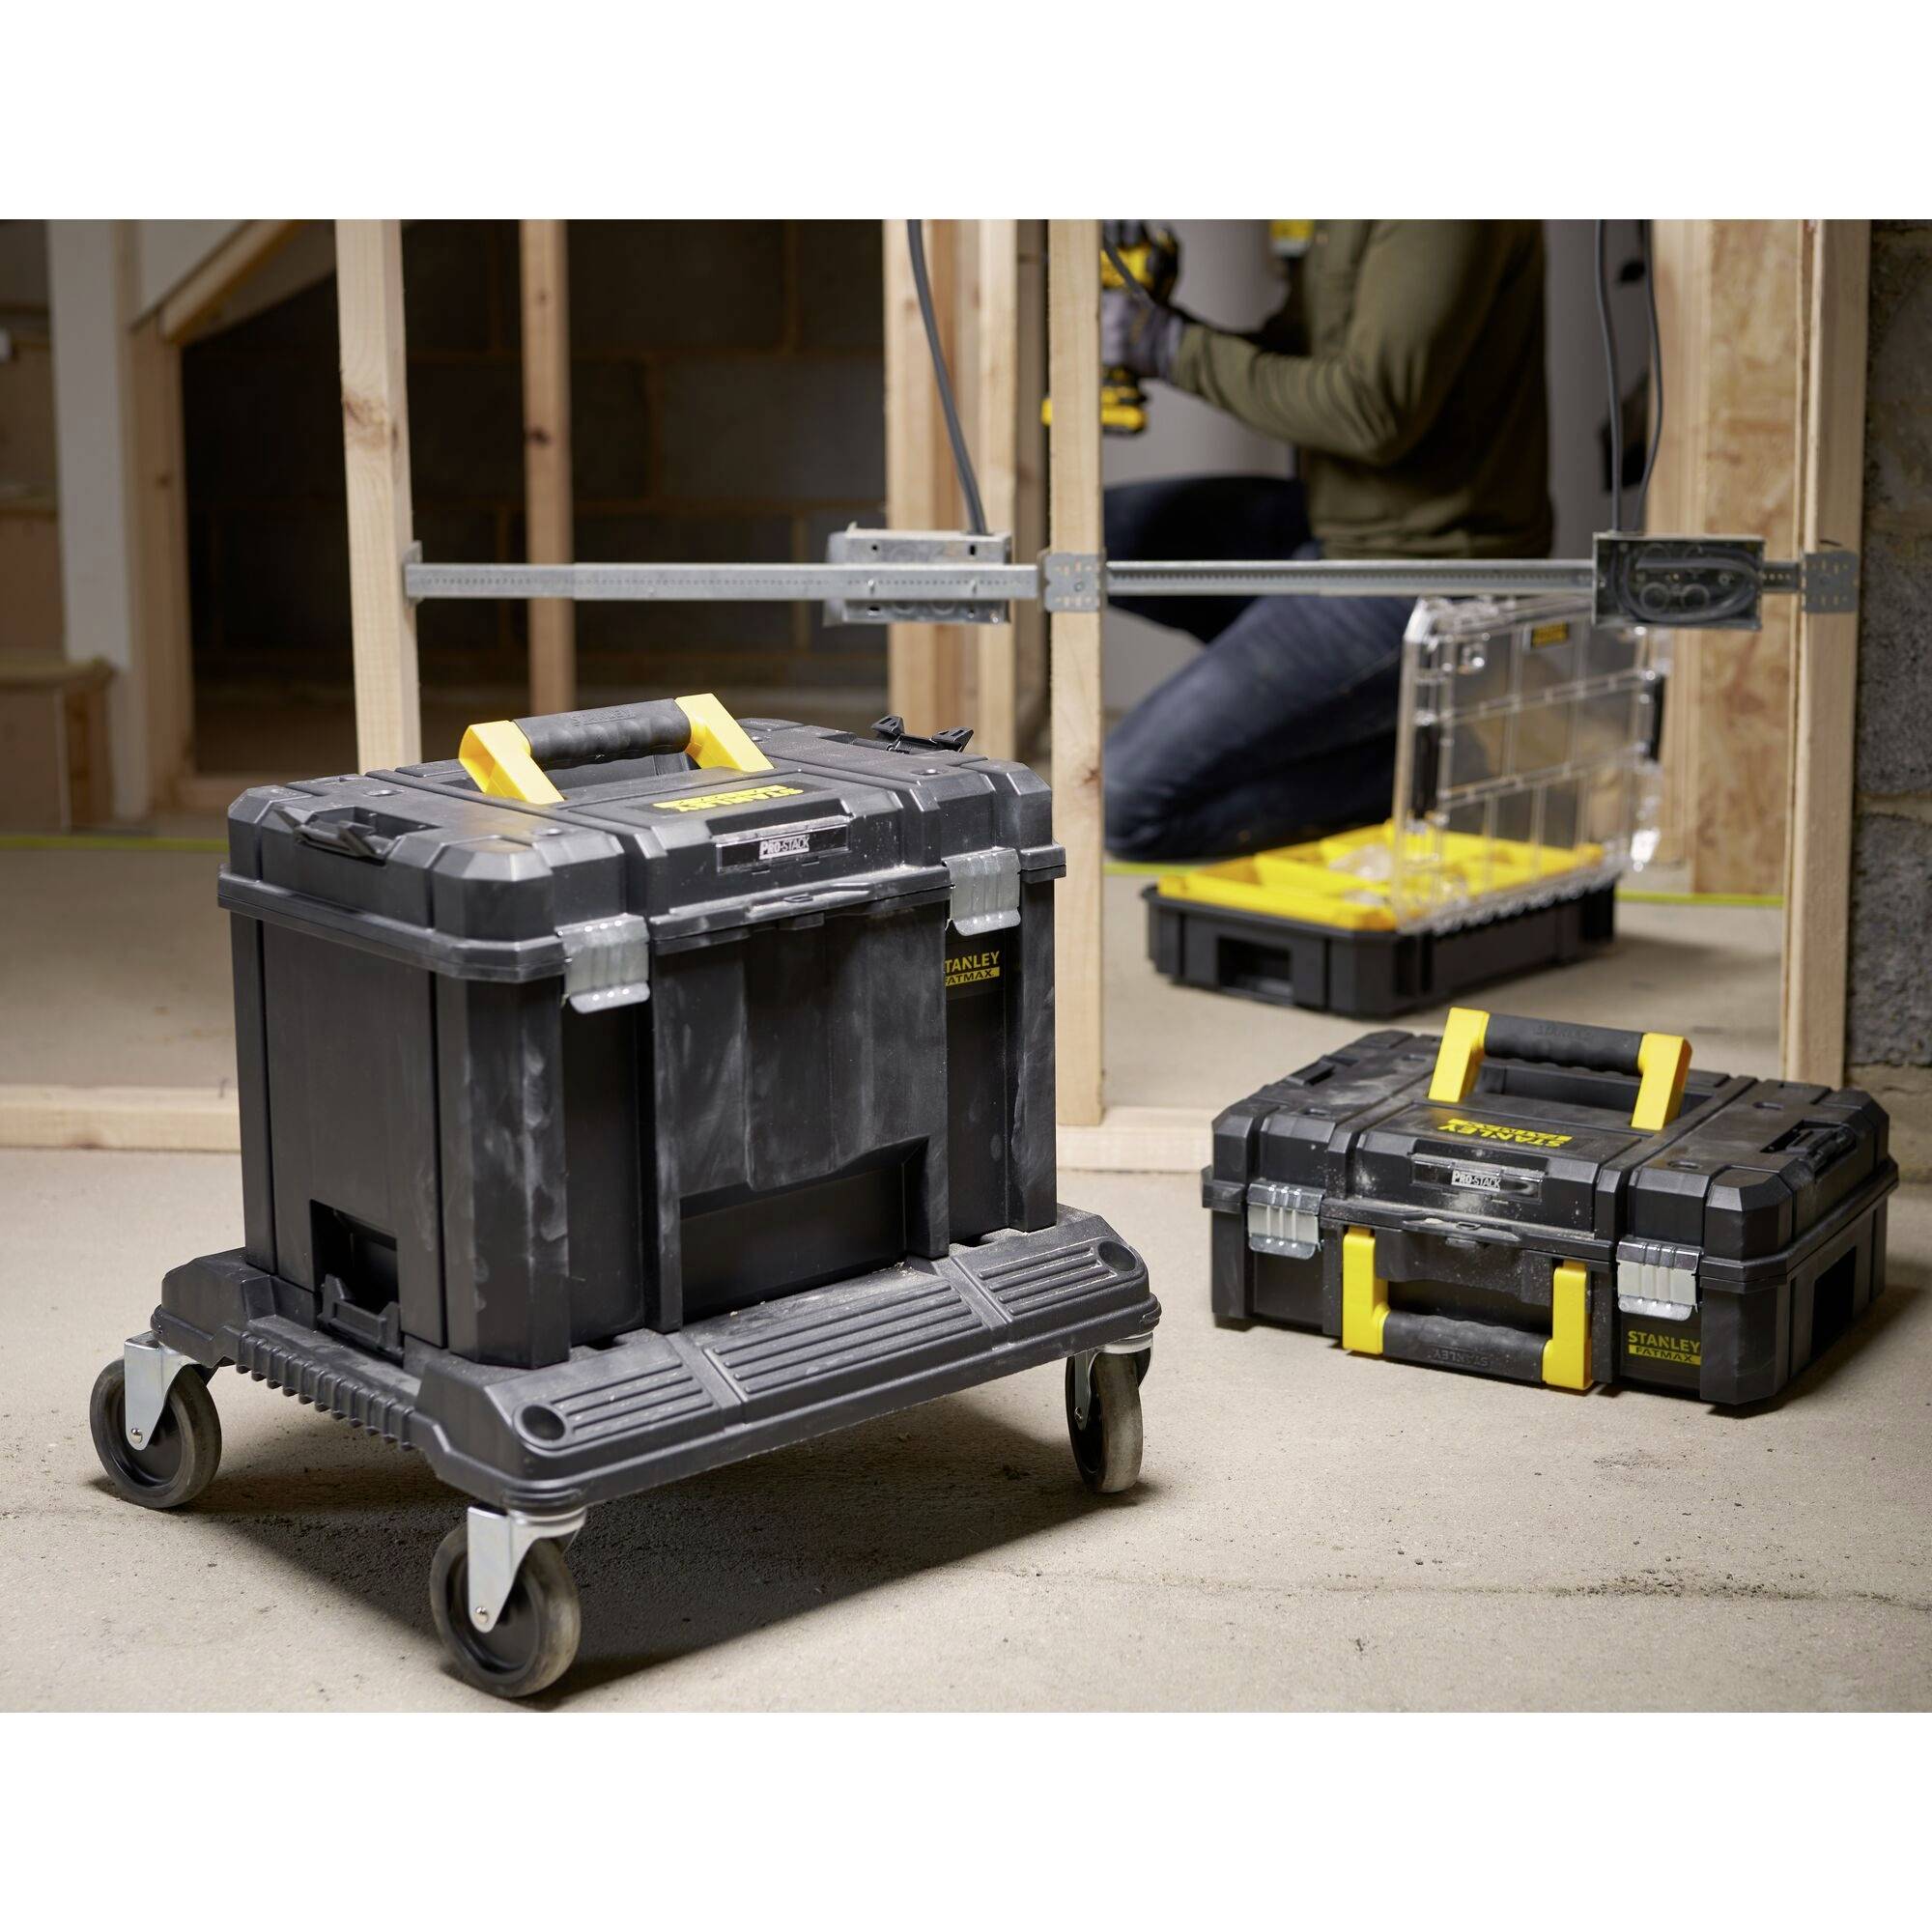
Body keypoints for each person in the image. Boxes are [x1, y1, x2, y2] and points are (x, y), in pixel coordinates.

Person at [1101, 220, 1552, 862]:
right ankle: (1329, 709)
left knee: (1124, 805)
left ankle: (1446, 761)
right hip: (1337, 525)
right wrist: (1165, 329)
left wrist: (1175, 348)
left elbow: (1370, 414)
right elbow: (1301, 354)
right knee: (1105, 535)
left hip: (1424, 574)